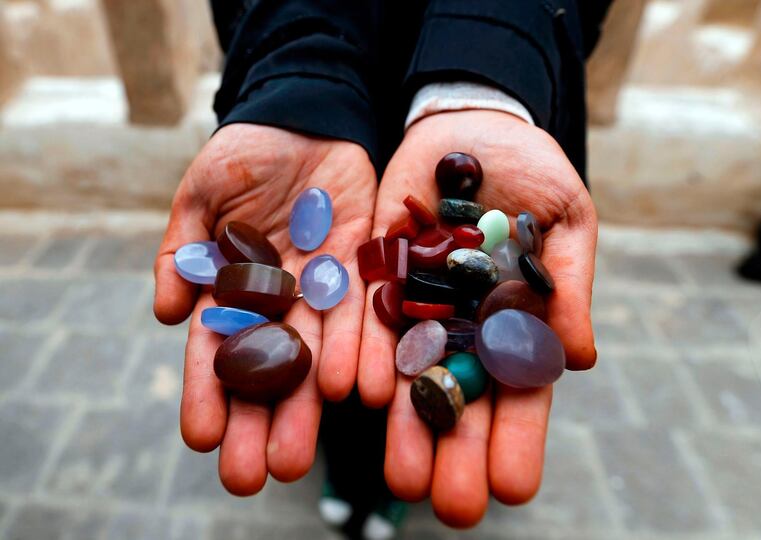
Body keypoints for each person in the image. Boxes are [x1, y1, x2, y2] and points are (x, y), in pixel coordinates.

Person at [153, 1, 611, 538]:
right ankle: (346, 473)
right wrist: (297, 82)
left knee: (381, 362)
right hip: (338, 112)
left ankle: (391, 489)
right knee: (343, 359)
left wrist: (482, 85)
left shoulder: (472, 253)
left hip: (485, 90)